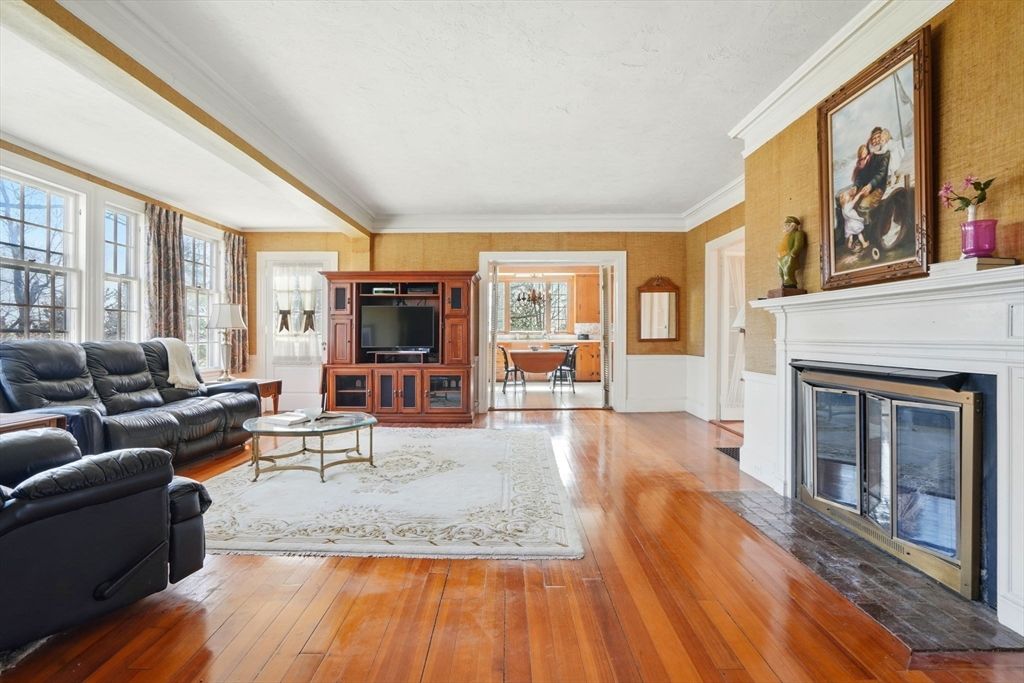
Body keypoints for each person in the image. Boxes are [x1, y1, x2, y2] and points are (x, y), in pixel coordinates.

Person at [777, 216, 806, 289]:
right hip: (781, 257)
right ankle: (784, 284)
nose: (785, 227)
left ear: (792, 225)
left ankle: (790, 285)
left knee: (788, 271)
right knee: (781, 272)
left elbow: (798, 244)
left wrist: (793, 253)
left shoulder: (798, 233)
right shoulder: (787, 235)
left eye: (786, 225)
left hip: (789, 256)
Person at [839, 187, 869, 251]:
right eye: (848, 197)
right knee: (859, 233)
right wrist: (860, 193)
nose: (850, 197)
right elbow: (855, 199)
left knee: (851, 236)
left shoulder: (843, 208)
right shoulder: (849, 206)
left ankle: (849, 245)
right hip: (853, 224)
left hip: (848, 225)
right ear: (846, 200)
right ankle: (864, 243)